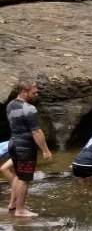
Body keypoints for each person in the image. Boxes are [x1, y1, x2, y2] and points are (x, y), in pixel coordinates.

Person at [5, 78, 53, 217]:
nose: (36, 94)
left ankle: (13, 204)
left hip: (13, 144)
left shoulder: (10, 105)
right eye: (34, 92)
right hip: (25, 148)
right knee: (24, 179)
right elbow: (36, 132)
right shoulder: (30, 108)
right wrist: (45, 151)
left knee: (18, 176)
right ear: (24, 92)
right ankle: (20, 210)